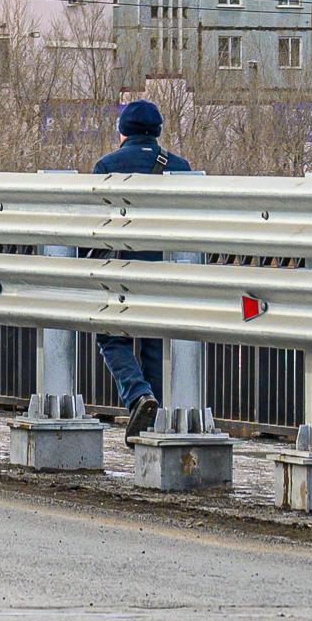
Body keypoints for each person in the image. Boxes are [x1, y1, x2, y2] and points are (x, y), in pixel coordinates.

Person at [92, 98, 193, 436]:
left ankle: (138, 395)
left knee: (109, 333)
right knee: (154, 341)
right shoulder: (180, 167)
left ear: (123, 132)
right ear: (157, 132)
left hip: (124, 271)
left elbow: (97, 223)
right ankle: (153, 421)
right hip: (166, 273)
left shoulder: (108, 165)